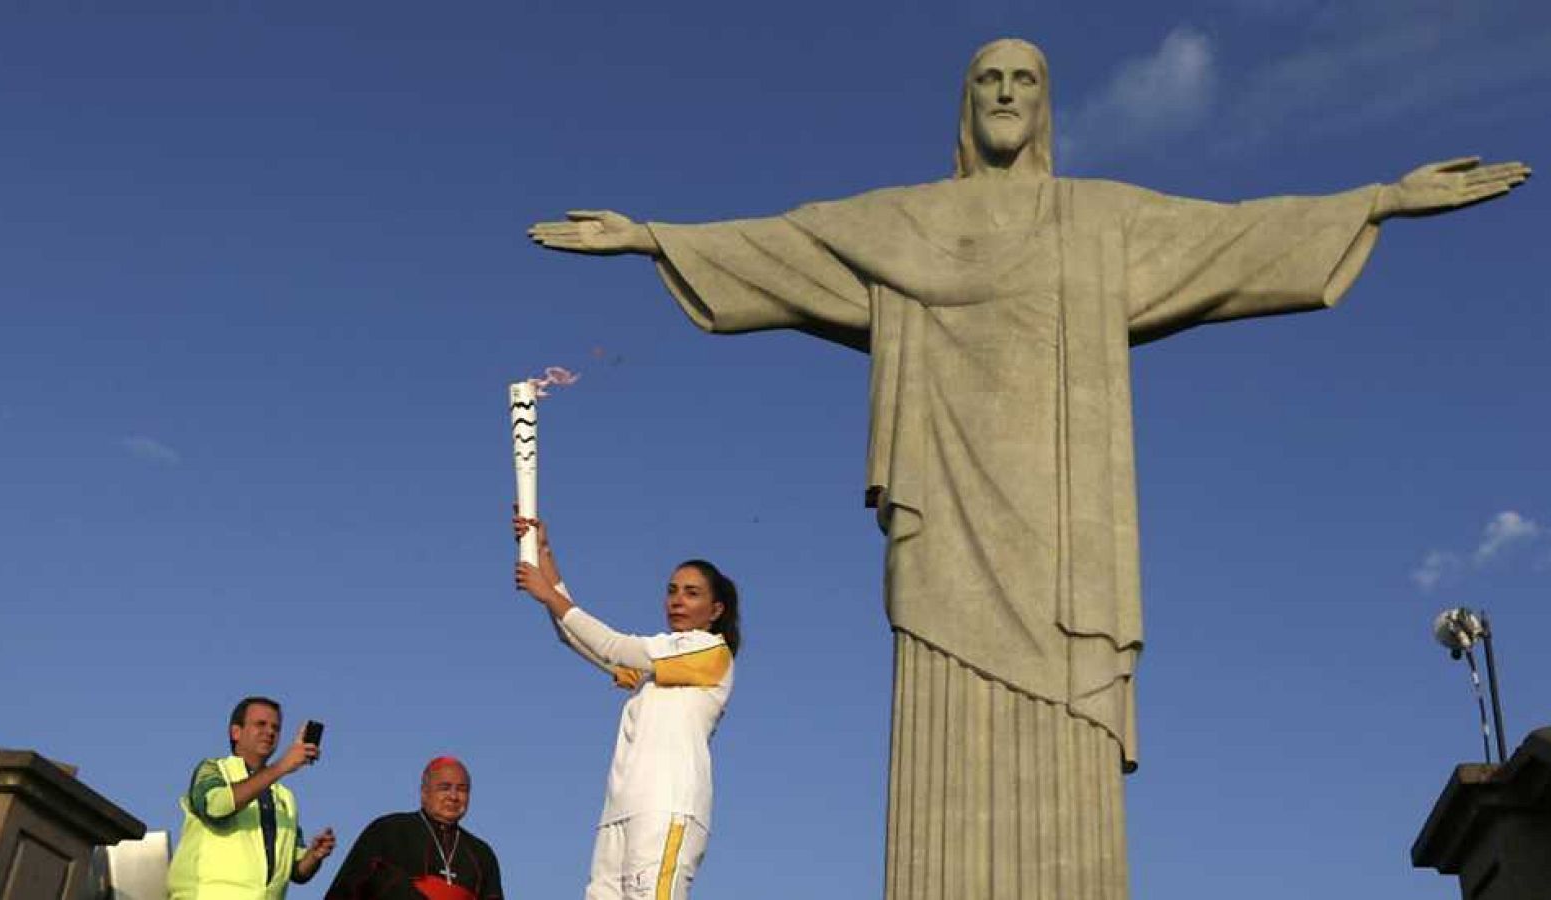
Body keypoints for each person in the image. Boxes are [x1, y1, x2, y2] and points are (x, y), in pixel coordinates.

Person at [527, 38, 1531, 900]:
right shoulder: (903, 223)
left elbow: (1233, 235)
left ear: (1044, 105)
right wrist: (654, 237)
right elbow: (788, 246)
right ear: (967, 106)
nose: (1006, 93)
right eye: (988, 80)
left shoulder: (1100, 222)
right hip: (942, 524)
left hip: (1063, 530)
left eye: (1025, 80)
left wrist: (1378, 202)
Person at [513, 515, 739, 900]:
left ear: (715, 610)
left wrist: (547, 594)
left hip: (668, 805)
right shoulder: (656, 670)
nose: (677, 600)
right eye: (672, 591)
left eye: (691, 593)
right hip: (618, 811)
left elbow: (614, 646)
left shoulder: (709, 651)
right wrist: (544, 555)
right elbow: (579, 639)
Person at [168, 696, 336, 900]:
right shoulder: (214, 769)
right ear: (236, 732)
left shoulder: (284, 797)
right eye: (261, 724)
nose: (270, 732)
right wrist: (282, 766)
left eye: (276, 727)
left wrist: (314, 855)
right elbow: (215, 807)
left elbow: (296, 871)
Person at [322, 756, 504, 900]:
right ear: (424, 793)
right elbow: (345, 891)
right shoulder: (387, 831)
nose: (453, 796)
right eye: (444, 788)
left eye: (462, 789)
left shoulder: (482, 854)